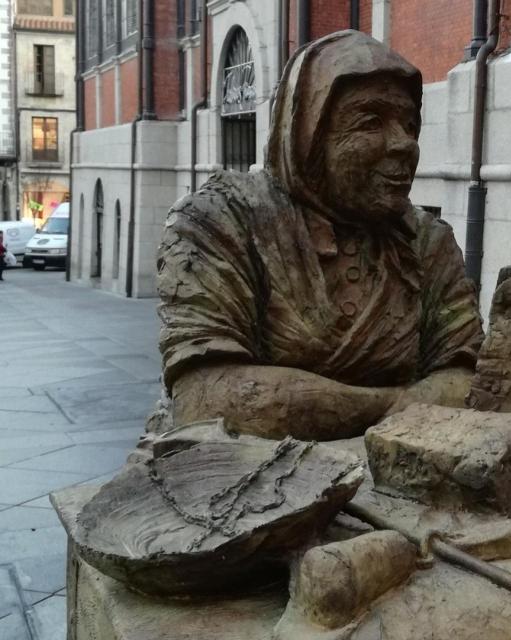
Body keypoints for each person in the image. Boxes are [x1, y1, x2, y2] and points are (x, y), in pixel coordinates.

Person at [156, 30, 483, 441]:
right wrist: (401, 406)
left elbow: (470, 379)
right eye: (371, 121)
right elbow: (206, 400)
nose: (404, 145)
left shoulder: (428, 243)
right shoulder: (221, 221)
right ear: (309, 134)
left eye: (410, 124)